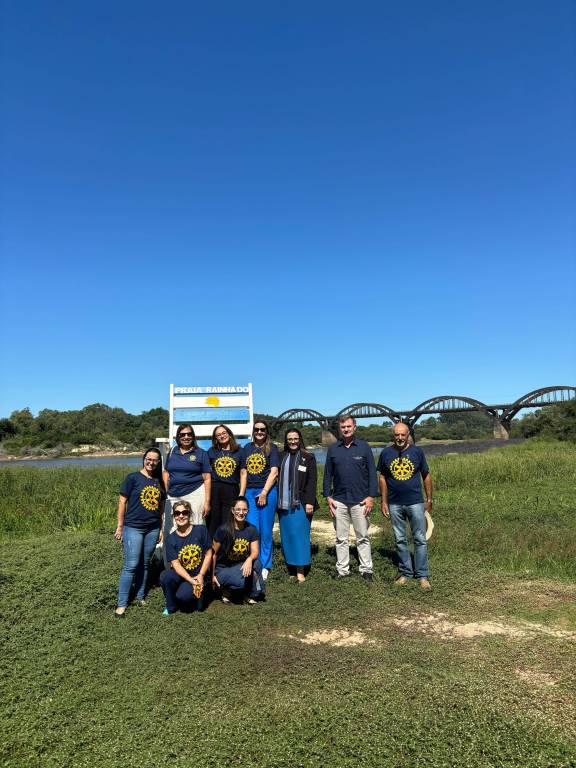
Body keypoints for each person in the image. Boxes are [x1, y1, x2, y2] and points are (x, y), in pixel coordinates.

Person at [378, 422, 433, 589]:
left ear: (408, 435)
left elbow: (426, 474)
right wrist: (384, 501)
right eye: (397, 435)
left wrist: (429, 499)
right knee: (400, 539)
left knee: (420, 539)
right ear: (393, 435)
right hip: (394, 503)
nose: (400, 438)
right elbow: (382, 478)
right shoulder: (386, 453)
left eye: (403, 434)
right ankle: (406, 573)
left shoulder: (417, 452)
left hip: (415, 502)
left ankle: (422, 575)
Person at [323, 415, 377, 581]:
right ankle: (343, 570)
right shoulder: (333, 449)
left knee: (362, 536)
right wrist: (327, 496)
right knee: (341, 538)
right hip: (339, 500)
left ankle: (366, 569)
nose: (346, 429)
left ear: (354, 427)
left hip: (360, 500)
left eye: (348, 426)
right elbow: (327, 474)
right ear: (340, 429)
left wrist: (371, 496)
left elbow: (372, 474)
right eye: (343, 427)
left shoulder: (364, 447)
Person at [114, 447, 165, 618]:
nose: (151, 462)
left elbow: (161, 507)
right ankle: (121, 604)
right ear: (144, 459)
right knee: (131, 565)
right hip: (133, 527)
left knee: (145, 563)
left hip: (152, 528)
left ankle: (140, 596)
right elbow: (122, 502)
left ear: (159, 462)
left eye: (155, 460)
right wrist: (120, 526)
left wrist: (161, 528)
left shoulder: (159, 481)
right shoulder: (133, 478)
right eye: (148, 459)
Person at [239, 420, 280, 580]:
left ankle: (265, 565)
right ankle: (253, 561)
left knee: (266, 530)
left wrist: (264, 492)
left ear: (266, 431)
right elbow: (243, 472)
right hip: (250, 492)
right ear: (253, 431)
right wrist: (241, 495)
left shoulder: (272, 448)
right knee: (252, 529)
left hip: (267, 492)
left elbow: (274, 472)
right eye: (256, 429)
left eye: (262, 429)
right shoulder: (246, 449)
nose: (259, 432)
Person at [277, 428, 318, 582]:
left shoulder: (308, 457)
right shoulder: (280, 456)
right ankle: (291, 569)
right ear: (286, 441)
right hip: (283, 503)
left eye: (295, 438)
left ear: (300, 439)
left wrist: (310, 502)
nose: (293, 441)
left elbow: (312, 481)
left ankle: (301, 571)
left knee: (300, 535)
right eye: (290, 439)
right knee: (287, 535)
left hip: (301, 502)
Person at [160, 500, 213, 615]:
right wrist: (191, 581)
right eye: (177, 513)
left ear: (189, 514)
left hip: (199, 574)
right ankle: (171, 606)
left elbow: (209, 554)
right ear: (174, 516)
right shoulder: (170, 539)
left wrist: (201, 575)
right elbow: (176, 564)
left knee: (183, 596)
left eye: (184, 512)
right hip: (182, 575)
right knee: (165, 576)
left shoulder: (201, 530)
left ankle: (200, 594)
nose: (181, 516)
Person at [212, 496, 265, 604]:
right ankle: (225, 589)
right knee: (244, 580)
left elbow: (255, 552)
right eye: (238, 509)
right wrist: (212, 575)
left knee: (257, 564)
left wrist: (249, 559)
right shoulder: (223, 530)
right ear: (232, 510)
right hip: (223, 568)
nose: (241, 513)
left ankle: (251, 593)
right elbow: (213, 554)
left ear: (248, 511)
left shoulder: (251, 529)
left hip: (240, 565)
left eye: (244, 510)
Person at [163, 424, 211, 539]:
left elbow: (207, 478)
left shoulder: (201, 453)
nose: (186, 437)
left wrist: (207, 502)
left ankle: (194, 549)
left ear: (193, 436)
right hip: (172, 494)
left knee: (194, 526)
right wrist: (164, 492)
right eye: (183, 434)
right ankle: (171, 551)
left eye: (189, 434)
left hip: (194, 493)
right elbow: (166, 472)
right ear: (178, 437)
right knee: (170, 527)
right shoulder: (172, 452)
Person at [207, 424, 242, 537]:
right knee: (213, 522)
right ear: (215, 438)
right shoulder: (212, 451)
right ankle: (212, 546)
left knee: (229, 522)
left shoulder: (239, 451)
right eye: (218, 435)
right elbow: (206, 473)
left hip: (232, 490)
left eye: (224, 433)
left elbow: (243, 473)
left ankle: (227, 547)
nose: (222, 436)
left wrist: (241, 494)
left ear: (229, 434)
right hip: (215, 490)